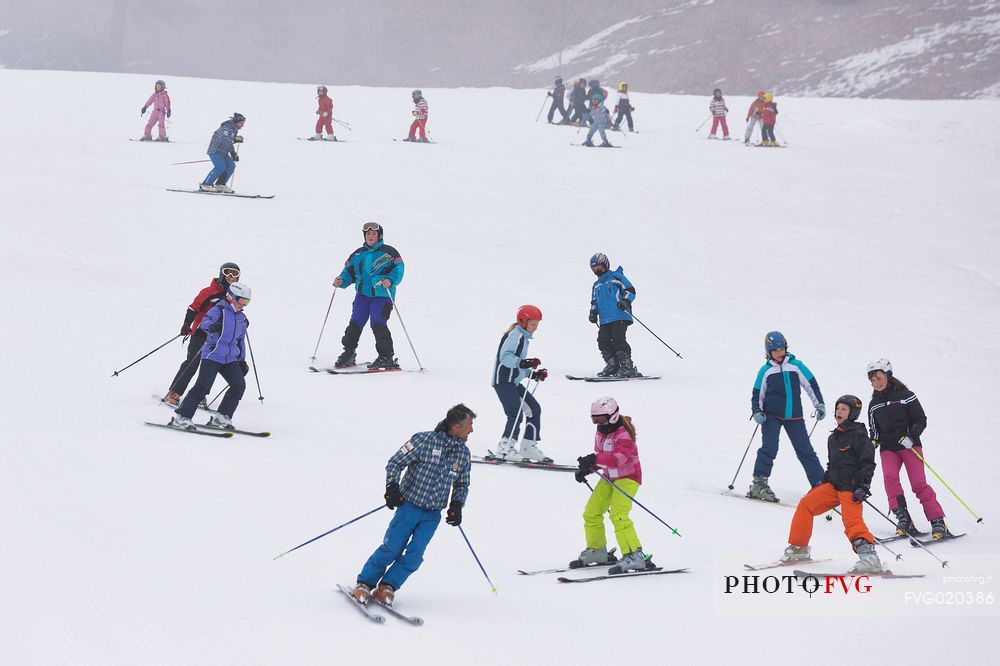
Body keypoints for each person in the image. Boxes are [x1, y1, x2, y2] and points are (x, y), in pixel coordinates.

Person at [351, 404, 475, 607]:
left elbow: (462, 483)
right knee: (392, 548)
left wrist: (457, 505)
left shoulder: (463, 453)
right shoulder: (423, 440)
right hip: (409, 507)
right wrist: (392, 487)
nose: (471, 430)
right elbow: (395, 462)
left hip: (432, 514)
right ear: (456, 426)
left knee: (415, 554)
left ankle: (388, 587)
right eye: (469, 425)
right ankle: (365, 583)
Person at [782, 395, 882, 573]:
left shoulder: (860, 436)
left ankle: (870, 558)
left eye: (844, 409)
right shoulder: (834, 438)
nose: (839, 412)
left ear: (853, 413)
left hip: (851, 488)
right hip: (834, 485)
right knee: (806, 504)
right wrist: (823, 480)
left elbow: (868, 463)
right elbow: (833, 465)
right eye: (838, 408)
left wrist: (864, 485)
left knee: (852, 522)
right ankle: (799, 548)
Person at [867, 358, 952, 539]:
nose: (876, 383)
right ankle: (904, 520)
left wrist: (912, 437)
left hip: (909, 445)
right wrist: (872, 442)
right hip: (888, 449)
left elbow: (921, 419)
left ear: (888, 375)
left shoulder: (906, 395)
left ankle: (938, 521)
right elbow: (874, 430)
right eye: (872, 380)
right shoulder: (873, 404)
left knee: (918, 484)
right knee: (890, 480)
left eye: (879, 377)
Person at [572, 397, 654, 574]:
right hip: (610, 477)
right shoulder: (601, 432)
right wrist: (589, 468)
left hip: (628, 477)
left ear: (612, 415)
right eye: (594, 418)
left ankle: (635, 555)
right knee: (591, 512)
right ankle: (597, 550)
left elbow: (618, 459)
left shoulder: (624, 433)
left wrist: (594, 459)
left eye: (600, 418)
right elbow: (603, 458)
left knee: (618, 515)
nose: (597, 422)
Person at [749, 331, 826, 500]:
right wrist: (757, 411)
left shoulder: (796, 366)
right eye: (775, 350)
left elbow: (811, 385)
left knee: (805, 450)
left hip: (794, 416)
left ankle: (820, 484)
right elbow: (757, 394)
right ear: (768, 352)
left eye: (781, 349)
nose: (779, 353)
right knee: (769, 447)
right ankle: (759, 483)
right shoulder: (766, 371)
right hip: (771, 416)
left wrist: (819, 404)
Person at [169, 282, 251, 430]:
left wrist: (242, 361)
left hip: (230, 358)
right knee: (202, 387)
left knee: (238, 385)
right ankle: (182, 417)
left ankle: (222, 418)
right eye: (242, 301)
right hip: (212, 354)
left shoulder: (241, 318)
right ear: (231, 297)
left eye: (247, 302)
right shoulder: (218, 310)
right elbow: (203, 324)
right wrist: (213, 326)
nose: (244, 305)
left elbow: (240, 341)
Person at [163, 262, 242, 406]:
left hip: (219, 338)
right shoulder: (209, 291)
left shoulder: (235, 296)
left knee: (210, 367)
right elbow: (193, 308)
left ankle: (199, 395)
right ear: (221, 274)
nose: (231, 276)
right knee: (192, 362)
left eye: (234, 273)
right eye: (228, 272)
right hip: (201, 332)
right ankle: (174, 391)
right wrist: (187, 324)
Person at [332, 223, 405, 370]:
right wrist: (341, 280)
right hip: (362, 296)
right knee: (355, 322)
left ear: (379, 236)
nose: (370, 236)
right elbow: (349, 271)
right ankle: (349, 353)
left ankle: (386, 357)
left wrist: (390, 280)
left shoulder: (389, 252)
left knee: (377, 323)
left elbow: (399, 268)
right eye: (368, 234)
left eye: (373, 234)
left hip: (382, 295)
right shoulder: (358, 254)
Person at [491, 305, 549, 462]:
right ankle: (505, 448)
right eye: (532, 324)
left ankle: (528, 446)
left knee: (534, 409)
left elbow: (518, 366)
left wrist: (533, 374)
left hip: (513, 382)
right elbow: (506, 358)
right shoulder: (515, 335)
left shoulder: (522, 337)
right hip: (503, 381)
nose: (535, 328)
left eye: (537, 325)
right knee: (514, 412)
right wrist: (524, 363)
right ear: (522, 321)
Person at [589, 253, 639, 378]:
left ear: (605, 264)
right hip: (605, 319)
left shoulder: (616, 277)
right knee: (602, 341)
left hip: (619, 314)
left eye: (598, 267)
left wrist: (625, 301)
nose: (596, 271)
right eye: (594, 269)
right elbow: (594, 301)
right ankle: (613, 364)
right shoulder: (596, 285)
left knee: (618, 340)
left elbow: (630, 290)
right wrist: (593, 312)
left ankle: (627, 367)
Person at [201, 113, 245, 193]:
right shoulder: (226, 128)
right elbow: (224, 139)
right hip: (215, 150)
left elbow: (229, 142)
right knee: (220, 166)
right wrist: (234, 139)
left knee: (231, 165)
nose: (242, 126)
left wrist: (233, 153)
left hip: (224, 152)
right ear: (237, 122)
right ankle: (206, 185)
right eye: (241, 123)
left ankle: (220, 184)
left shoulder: (234, 130)